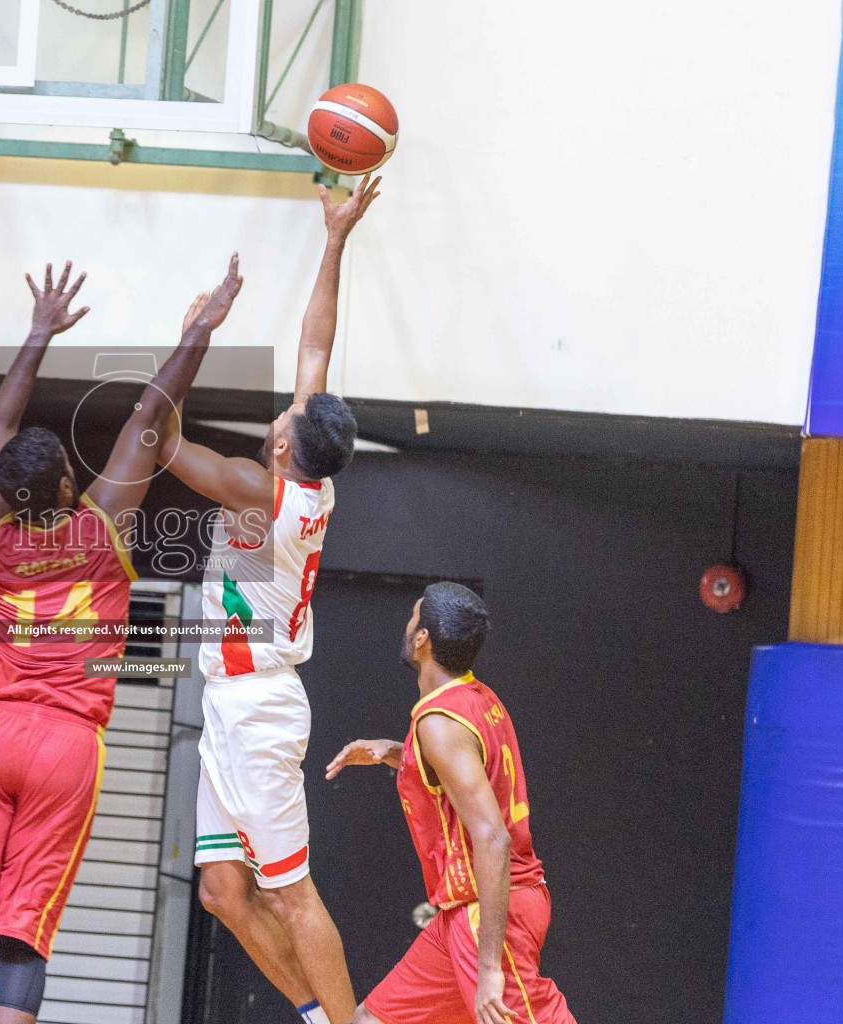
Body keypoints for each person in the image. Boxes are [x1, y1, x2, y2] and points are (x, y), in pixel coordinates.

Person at [0, 257, 245, 1024]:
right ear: (64, 486)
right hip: (66, 742)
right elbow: (148, 420)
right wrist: (200, 329)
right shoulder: (100, 528)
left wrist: (37, 334)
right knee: (25, 926)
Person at [154, 174, 380, 1024]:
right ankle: (318, 1015)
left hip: (256, 711)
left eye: (285, 419)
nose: (280, 415)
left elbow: (164, 439)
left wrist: (192, 339)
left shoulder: (258, 490)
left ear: (285, 448)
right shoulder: (306, 481)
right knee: (221, 890)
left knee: (291, 894)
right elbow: (315, 355)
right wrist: (334, 240)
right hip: (234, 705)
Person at [326, 583, 576, 1024]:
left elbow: (492, 836)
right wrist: (390, 751)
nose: (407, 624)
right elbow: (459, 776)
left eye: (413, 616)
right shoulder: (477, 699)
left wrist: (490, 967)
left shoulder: (439, 722)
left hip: (492, 910)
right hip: (465, 911)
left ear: (422, 639)